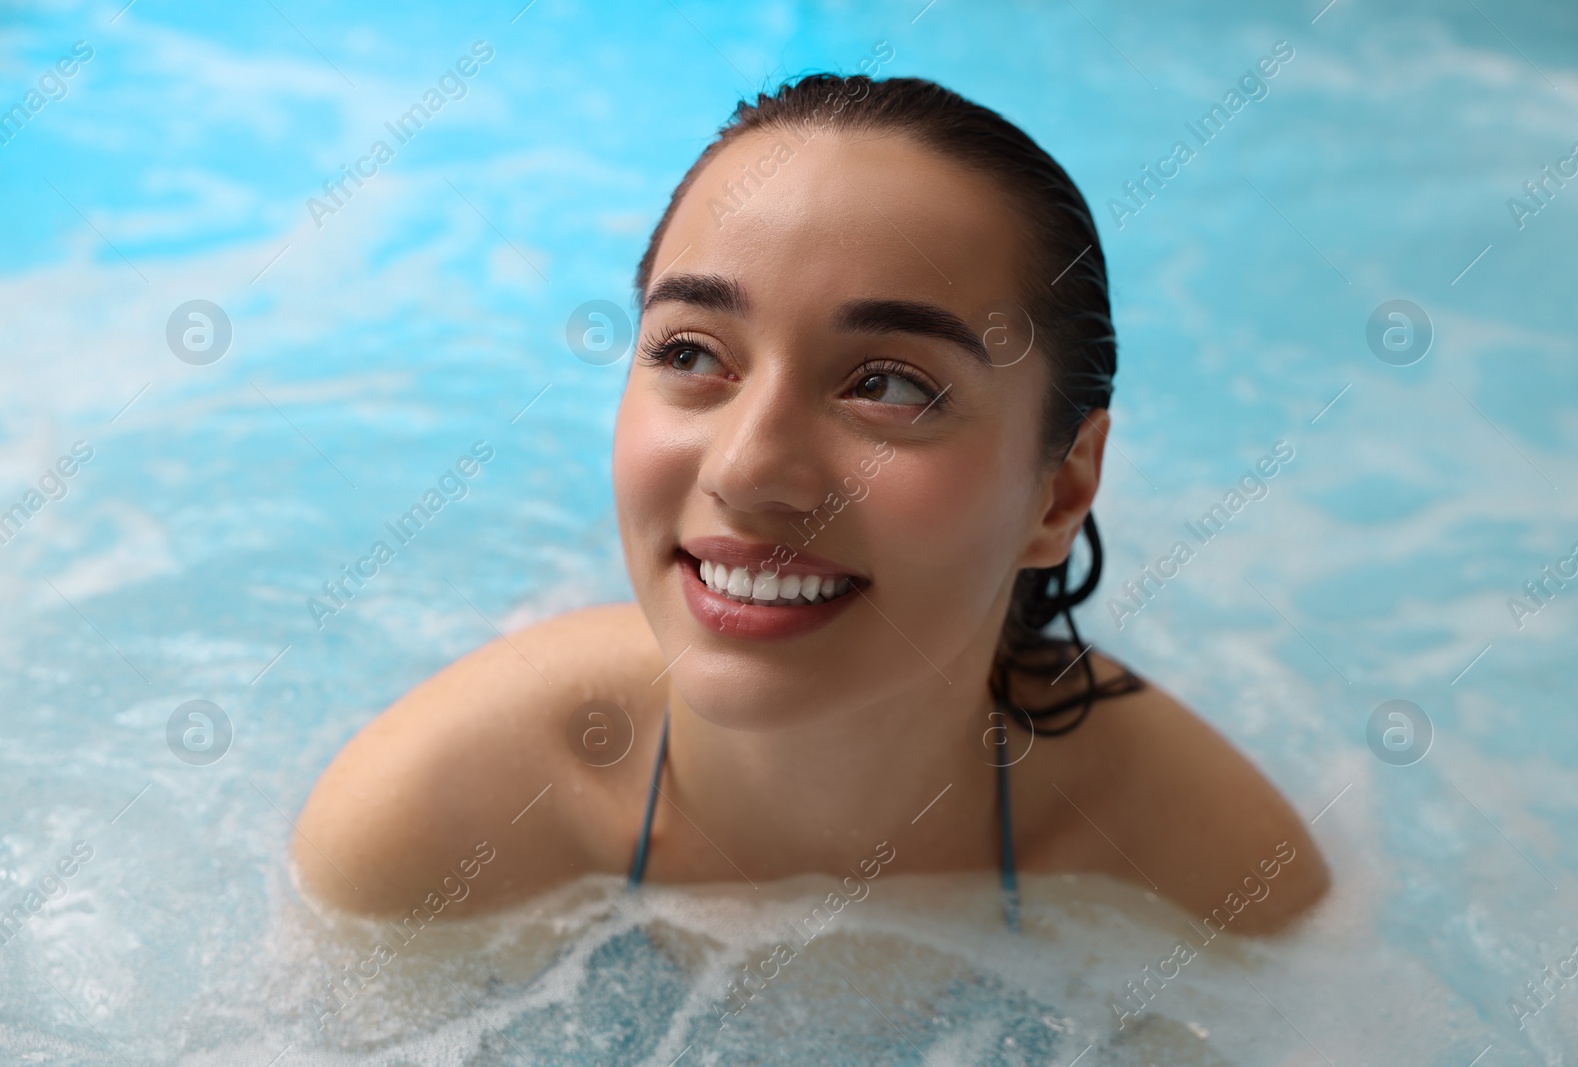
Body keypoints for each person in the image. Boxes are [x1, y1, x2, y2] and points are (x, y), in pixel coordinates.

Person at [292, 73, 1328, 936]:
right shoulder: (436, 826)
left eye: (887, 383)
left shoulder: (1208, 879)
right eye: (691, 352)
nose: (747, 469)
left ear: (1056, 492)